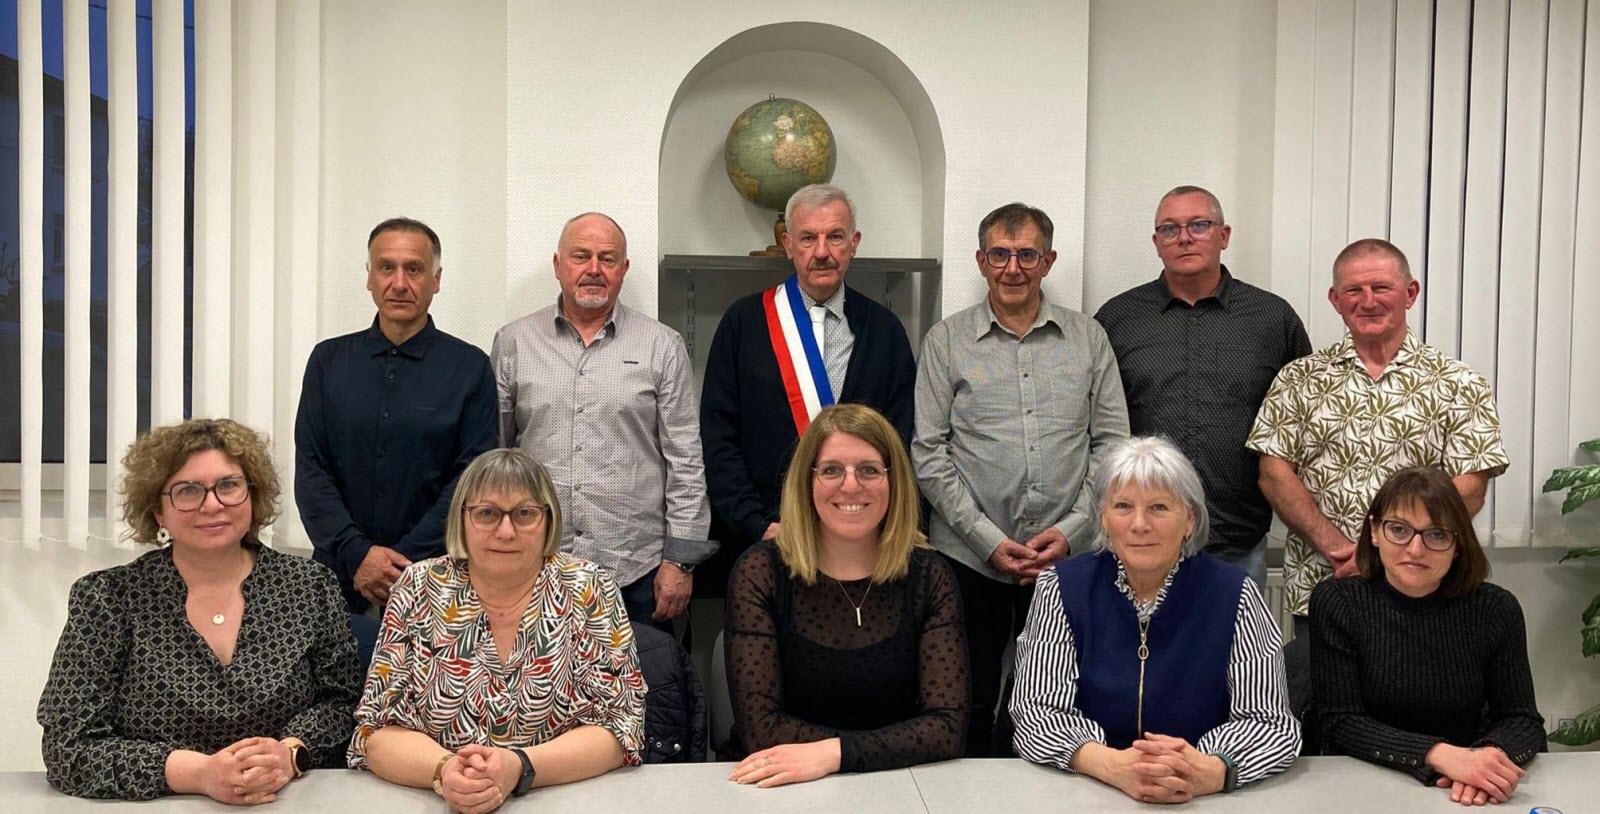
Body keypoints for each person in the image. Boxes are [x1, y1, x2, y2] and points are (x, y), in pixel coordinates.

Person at [38, 419, 361, 802]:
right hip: (159, 805)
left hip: (285, 800)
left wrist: (290, 754)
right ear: (158, 511)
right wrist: (199, 774)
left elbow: (345, 705)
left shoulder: (310, 587)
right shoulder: (108, 599)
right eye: (188, 490)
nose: (212, 504)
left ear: (252, 495)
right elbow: (67, 746)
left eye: (229, 485)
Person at [914, 202, 1128, 756]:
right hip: (967, 559)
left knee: (1056, 704)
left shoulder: (1089, 339)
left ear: (1048, 261)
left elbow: (1112, 446)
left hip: (1068, 560)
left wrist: (1072, 532)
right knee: (965, 700)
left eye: (1027, 255)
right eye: (1000, 255)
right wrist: (987, 540)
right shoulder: (945, 341)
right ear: (980, 261)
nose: (1013, 268)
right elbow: (928, 453)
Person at [1247, 238, 1509, 671]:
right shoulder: (1298, 379)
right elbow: (1273, 474)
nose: (1367, 301)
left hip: (1426, 592)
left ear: (1410, 293)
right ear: (1335, 300)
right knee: (1324, 705)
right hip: (1325, 586)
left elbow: (1471, 486)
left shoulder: (1459, 382)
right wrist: (1340, 549)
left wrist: (1386, 552)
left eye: (1381, 288)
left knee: (1423, 703)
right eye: (1353, 290)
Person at [349, 448, 645, 812]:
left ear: (549, 520)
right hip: (438, 802)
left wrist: (519, 766)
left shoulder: (590, 588)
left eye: (525, 514)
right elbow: (376, 732)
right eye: (487, 513)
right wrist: (445, 771)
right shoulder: (417, 588)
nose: (506, 531)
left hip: (564, 801)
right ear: (461, 519)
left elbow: (621, 728)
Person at [1011, 436, 1300, 804]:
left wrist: (1205, 771)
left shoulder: (1236, 594)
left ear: (1189, 519)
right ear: (1103, 517)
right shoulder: (1061, 588)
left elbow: (1269, 722)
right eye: (1123, 506)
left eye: (1159, 507)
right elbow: (1035, 711)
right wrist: (1111, 765)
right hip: (1087, 792)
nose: (1139, 524)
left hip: (1202, 799)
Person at [724, 404, 967, 787]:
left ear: (894, 481)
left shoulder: (930, 575)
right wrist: (867, 749)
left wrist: (835, 754)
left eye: (869, 470)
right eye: (831, 470)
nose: (850, 486)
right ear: (807, 481)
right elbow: (760, 728)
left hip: (896, 783)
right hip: (780, 786)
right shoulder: (760, 572)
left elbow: (948, 727)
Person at [492, 212, 712, 633]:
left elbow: (686, 460)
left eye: (607, 259)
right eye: (581, 256)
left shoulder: (662, 346)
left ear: (623, 269)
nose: (593, 269)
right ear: (558, 265)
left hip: (637, 572)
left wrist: (680, 561)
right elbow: (495, 457)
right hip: (535, 564)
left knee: (644, 676)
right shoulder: (514, 343)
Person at [295, 217, 498, 663]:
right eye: (386, 267)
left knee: (431, 696)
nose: (399, 283)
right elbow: (312, 471)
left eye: (414, 269)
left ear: (436, 280)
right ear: (369, 276)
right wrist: (358, 555)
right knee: (333, 694)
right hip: (335, 576)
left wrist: (401, 562)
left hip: (438, 579)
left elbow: (473, 479)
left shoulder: (469, 368)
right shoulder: (328, 361)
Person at [700, 184, 917, 599]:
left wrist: (871, 525)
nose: (822, 251)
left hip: (862, 545)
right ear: (787, 245)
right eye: (807, 238)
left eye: (835, 236)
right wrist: (757, 524)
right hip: (766, 542)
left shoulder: (885, 331)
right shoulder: (743, 324)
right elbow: (718, 438)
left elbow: (900, 440)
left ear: (854, 243)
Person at [1095, 186, 1311, 587]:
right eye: (1170, 229)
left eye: (1199, 225)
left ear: (1223, 236)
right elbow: (1094, 426)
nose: (1184, 238)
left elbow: (1303, 422)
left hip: (1237, 541)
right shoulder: (1117, 320)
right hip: (1140, 537)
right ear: (1156, 243)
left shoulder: (1273, 319)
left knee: (1237, 631)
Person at [1311, 466, 1544, 807]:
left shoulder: (1496, 609)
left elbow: (1522, 721)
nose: (1416, 549)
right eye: (1399, 530)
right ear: (1374, 531)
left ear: (1458, 544)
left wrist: (1483, 763)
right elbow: (1340, 722)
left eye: (1436, 534)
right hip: (1363, 786)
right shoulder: (1338, 602)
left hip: (1462, 794)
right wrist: (1439, 755)